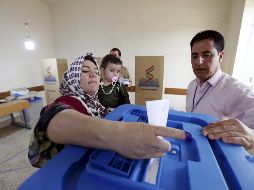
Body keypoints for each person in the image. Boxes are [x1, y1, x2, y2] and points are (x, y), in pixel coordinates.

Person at [28, 52, 190, 168]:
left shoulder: (95, 103)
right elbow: (53, 118)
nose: (93, 74)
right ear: (72, 77)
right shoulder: (67, 100)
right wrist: (119, 133)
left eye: (96, 71)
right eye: (85, 71)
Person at [186, 30, 254, 149]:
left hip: (216, 157)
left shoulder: (236, 90)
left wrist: (251, 137)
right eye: (194, 56)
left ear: (220, 56)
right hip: (190, 145)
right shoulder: (192, 85)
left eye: (206, 55)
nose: (198, 61)